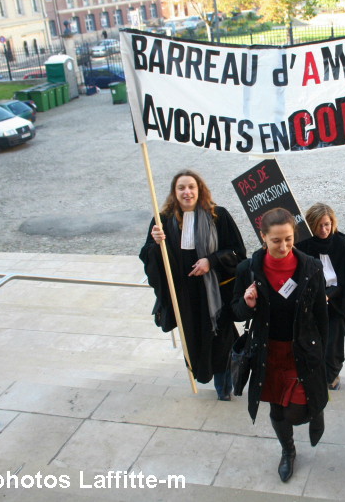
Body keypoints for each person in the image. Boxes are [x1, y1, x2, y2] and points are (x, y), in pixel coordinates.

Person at [231, 208, 329, 483]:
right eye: (276, 240)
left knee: (296, 410)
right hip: (268, 352)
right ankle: (288, 451)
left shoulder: (311, 266)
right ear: (263, 237)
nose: (283, 246)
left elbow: (321, 316)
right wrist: (248, 304)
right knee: (277, 409)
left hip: (301, 350)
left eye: (288, 239)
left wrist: (322, 355)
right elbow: (235, 312)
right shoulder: (248, 269)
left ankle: (315, 407)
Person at [140, 170, 246, 401]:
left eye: (191, 187)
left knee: (222, 341)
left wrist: (212, 261)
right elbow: (148, 258)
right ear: (174, 192)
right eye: (181, 188)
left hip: (215, 294)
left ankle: (225, 387)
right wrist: (156, 245)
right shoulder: (162, 220)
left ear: (200, 190)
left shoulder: (219, 216)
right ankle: (206, 375)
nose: (187, 192)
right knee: (196, 342)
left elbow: (238, 253)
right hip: (184, 296)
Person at [295, 203, 345, 390]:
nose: (324, 230)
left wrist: (328, 295)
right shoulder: (304, 244)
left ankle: (331, 375)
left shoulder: (341, 243)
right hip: (311, 302)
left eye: (327, 224)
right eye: (319, 225)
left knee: (333, 344)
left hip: (336, 304)